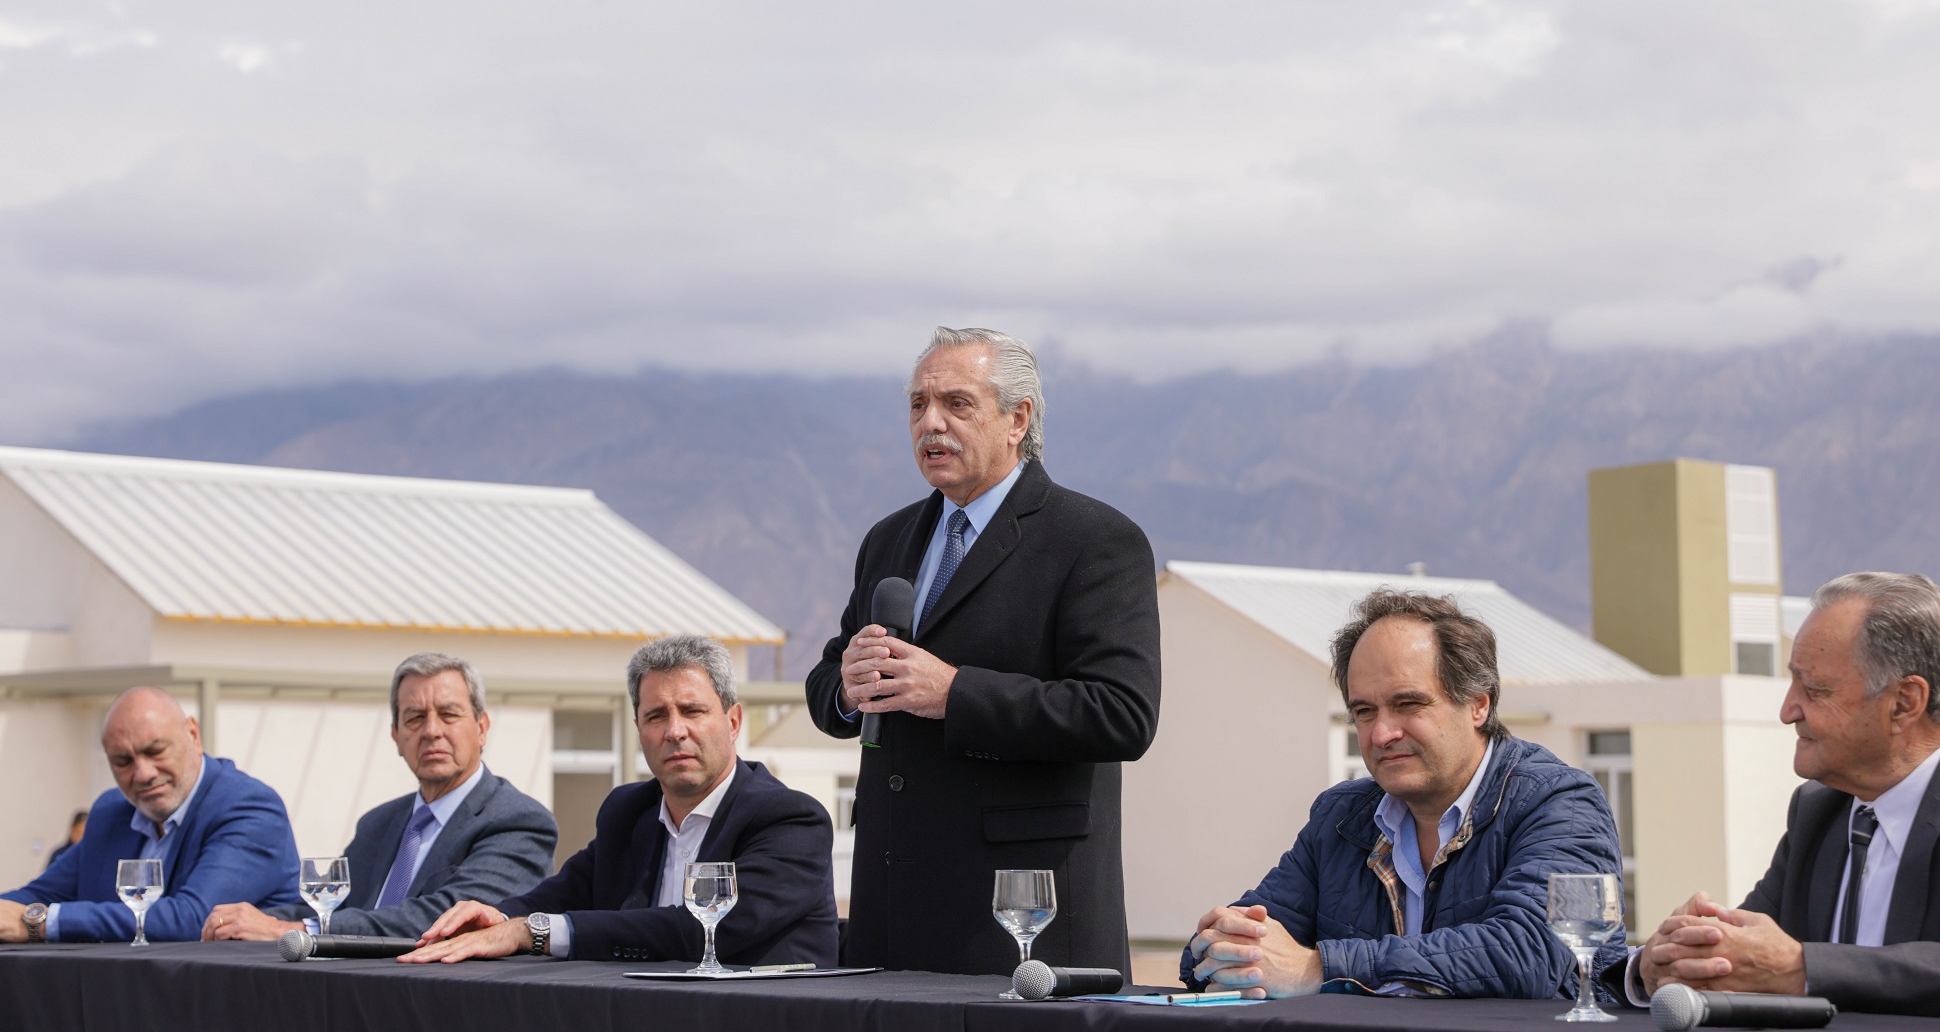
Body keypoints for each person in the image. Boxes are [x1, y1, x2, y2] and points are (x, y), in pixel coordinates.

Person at [806, 326, 1163, 975]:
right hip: (892, 913)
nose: (930, 422)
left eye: (957, 404)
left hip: (1024, 922)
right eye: (917, 404)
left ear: (1017, 418)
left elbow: (1123, 712)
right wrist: (846, 688)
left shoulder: (1094, 540)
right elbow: (829, 680)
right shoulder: (888, 540)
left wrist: (955, 693)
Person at [1184, 589, 1627, 999]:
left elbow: (1528, 954)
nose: (1381, 733)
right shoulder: (1341, 817)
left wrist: (1320, 967)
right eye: (1364, 711)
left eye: (1408, 704)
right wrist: (1226, 947)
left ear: (1479, 703)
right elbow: (1234, 943)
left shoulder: (1559, 802)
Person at [402, 634, 838, 965]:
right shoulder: (629, 812)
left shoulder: (790, 820)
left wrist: (531, 932)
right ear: (638, 729)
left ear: (733, 720)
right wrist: (493, 917)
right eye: (655, 716)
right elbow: (565, 893)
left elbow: (698, 930)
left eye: (692, 711)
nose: (674, 731)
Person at [1623, 572, 1940, 1016]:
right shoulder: (1818, 811)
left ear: (1904, 702)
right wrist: (1669, 958)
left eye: (1815, 691)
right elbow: (1748, 958)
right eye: (1792, 685)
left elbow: (1783, 965)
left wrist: (1802, 968)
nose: (1788, 711)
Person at [201, 653, 557, 941]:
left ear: (481, 728)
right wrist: (246, 921)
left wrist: (294, 932)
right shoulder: (379, 823)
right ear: (396, 736)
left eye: (449, 715)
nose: (432, 731)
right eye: (415, 718)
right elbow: (326, 908)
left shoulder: (518, 822)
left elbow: (446, 919)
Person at [0, 686, 298, 943]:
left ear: (193, 735)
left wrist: (40, 922)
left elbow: (194, 919)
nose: (142, 773)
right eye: (123, 761)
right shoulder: (111, 812)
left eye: (155, 751)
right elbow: (40, 895)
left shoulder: (250, 807)